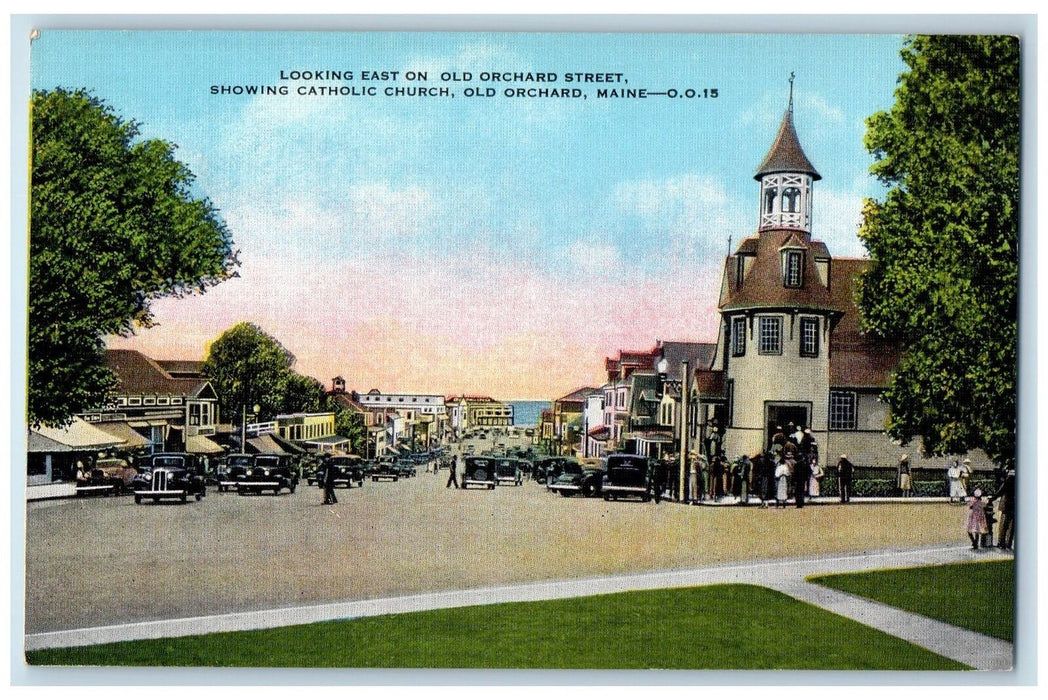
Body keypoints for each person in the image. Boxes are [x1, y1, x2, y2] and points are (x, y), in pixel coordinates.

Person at [990, 469, 1015, 550]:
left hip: (1006, 506)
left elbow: (999, 492)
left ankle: (1001, 543)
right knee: (1012, 527)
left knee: (1003, 526)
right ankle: (1009, 544)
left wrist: (991, 499)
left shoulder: (1007, 482)